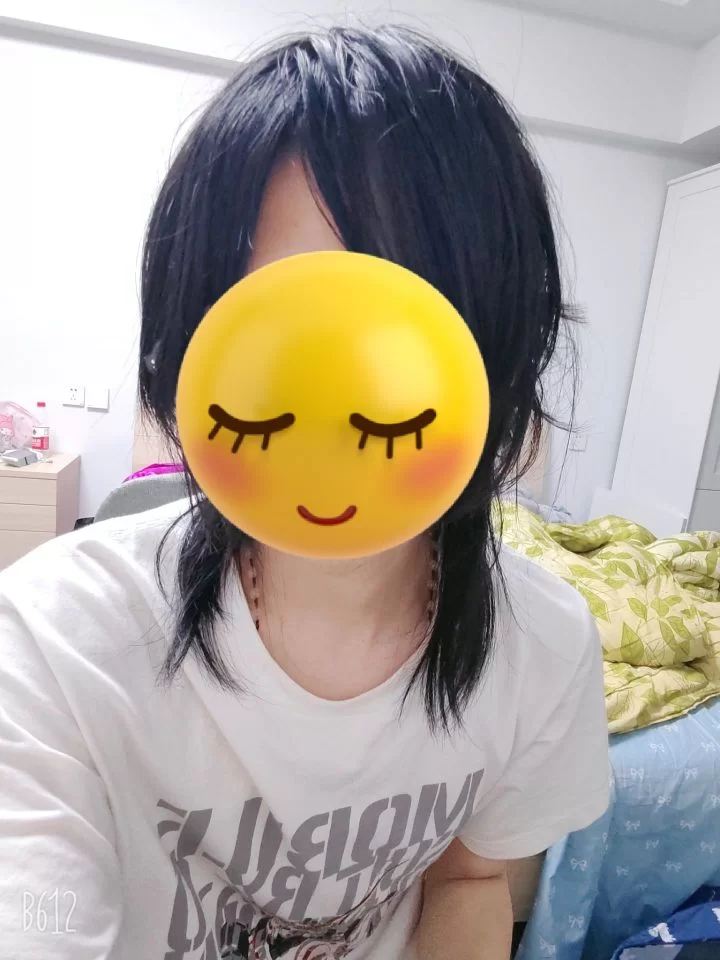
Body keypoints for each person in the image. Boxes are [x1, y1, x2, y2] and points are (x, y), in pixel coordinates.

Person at [0, 25, 609, 960]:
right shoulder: (51, 641)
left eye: (391, 343)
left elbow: (469, 877)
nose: (335, 414)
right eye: (278, 340)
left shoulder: (545, 647)